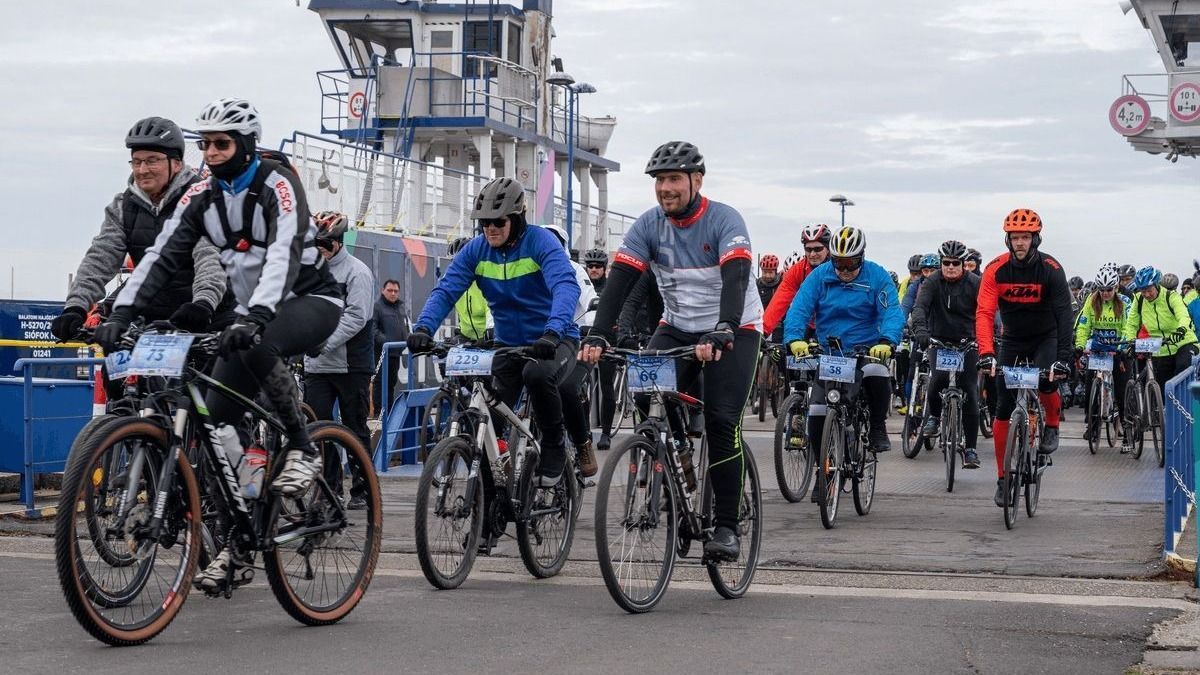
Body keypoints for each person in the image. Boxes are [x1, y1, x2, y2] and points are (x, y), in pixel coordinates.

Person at [93, 97, 344, 590]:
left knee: (257, 342)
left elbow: (283, 256)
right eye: (205, 144)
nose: (211, 153)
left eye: (222, 144)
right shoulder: (201, 197)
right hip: (249, 315)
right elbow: (162, 255)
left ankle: (301, 448)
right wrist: (119, 312)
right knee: (216, 424)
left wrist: (255, 315)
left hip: (308, 299)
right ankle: (237, 543)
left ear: (247, 145)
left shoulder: (277, 184)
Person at [580, 140, 762, 561]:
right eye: (660, 180)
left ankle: (728, 526)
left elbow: (735, 280)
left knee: (720, 420)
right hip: (678, 327)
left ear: (696, 181)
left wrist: (724, 328)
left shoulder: (724, 220)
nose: (666, 188)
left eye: (674, 178)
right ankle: (675, 452)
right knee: (644, 392)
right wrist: (599, 334)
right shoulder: (647, 226)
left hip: (733, 327)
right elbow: (621, 283)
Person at [407, 177, 580, 486]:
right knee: (485, 420)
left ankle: (554, 445)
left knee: (537, 376)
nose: (490, 228)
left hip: (554, 339)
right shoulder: (477, 250)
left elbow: (565, 286)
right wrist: (424, 328)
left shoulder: (541, 242)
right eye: (484, 222)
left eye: (498, 221)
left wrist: (553, 331)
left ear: (516, 218)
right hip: (509, 345)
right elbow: (446, 290)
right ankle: (490, 511)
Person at [51, 117, 229, 344]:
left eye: (152, 161)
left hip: (207, 314)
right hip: (152, 320)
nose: (142, 170)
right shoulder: (124, 206)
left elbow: (209, 257)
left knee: (232, 371)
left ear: (176, 163)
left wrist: (203, 302)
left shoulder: (203, 199)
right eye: (136, 162)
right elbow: (100, 257)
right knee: (116, 374)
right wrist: (75, 307)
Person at [976, 208, 1073, 509]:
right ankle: (1004, 479)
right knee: (1003, 405)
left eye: (1025, 237)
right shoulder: (996, 269)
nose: (1020, 243)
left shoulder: (1051, 269)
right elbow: (984, 313)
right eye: (1015, 237)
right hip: (1013, 339)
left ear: (1035, 239)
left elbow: (1064, 314)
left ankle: (1052, 424)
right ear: (1008, 239)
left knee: (1046, 381)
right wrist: (986, 353)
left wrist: (1064, 359)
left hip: (1046, 335)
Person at [783, 226, 902, 468]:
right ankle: (821, 469)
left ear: (862, 257)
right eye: (839, 263)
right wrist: (795, 338)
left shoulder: (877, 276)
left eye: (851, 263)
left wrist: (887, 341)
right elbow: (799, 308)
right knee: (816, 410)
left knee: (878, 374)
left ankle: (878, 427)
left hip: (864, 350)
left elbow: (892, 311)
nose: (845, 270)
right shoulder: (819, 277)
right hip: (830, 352)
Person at [304, 211, 376, 458]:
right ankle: (329, 489)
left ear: (337, 243)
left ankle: (362, 492)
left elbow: (356, 317)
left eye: (324, 245)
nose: (318, 249)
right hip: (317, 367)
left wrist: (323, 342)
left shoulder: (358, 272)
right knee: (317, 432)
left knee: (355, 431)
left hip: (350, 367)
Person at [911, 240, 981, 469]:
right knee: (938, 378)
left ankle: (970, 449)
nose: (950, 267)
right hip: (938, 339)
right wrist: (921, 329)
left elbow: (986, 311)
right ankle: (933, 417)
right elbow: (920, 307)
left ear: (964, 264)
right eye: (946, 263)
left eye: (956, 263)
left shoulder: (975, 284)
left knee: (970, 390)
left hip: (967, 341)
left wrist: (988, 337)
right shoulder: (932, 282)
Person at [544, 224, 599, 477]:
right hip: (541, 345)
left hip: (575, 342)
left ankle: (582, 443)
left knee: (566, 387)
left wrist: (592, 336)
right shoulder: (529, 267)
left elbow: (590, 301)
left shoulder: (575, 270)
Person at [1074, 267, 1131, 449]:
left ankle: (1127, 432)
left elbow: (1128, 327)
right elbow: (1084, 325)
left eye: (1109, 289)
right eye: (1102, 290)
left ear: (1115, 288)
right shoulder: (1092, 301)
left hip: (1117, 350)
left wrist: (1122, 347)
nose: (1105, 293)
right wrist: (1080, 345)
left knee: (1122, 392)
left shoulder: (1124, 302)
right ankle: (1092, 424)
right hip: (1098, 350)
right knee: (1091, 384)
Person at [1122, 266, 1199, 399]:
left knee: (1182, 369)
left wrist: (1180, 330)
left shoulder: (1171, 296)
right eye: (1142, 290)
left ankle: (1185, 406)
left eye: (1149, 290)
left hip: (1182, 341)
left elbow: (1183, 316)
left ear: (1157, 285)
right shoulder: (1139, 299)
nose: (1146, 294)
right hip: (1160, 347)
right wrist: (1130, 341)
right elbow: (1132, 323)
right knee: (1161, 389)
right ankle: (1159, 415)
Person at [761, 223, 832, 337]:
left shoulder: (839, 267)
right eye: (808, 249)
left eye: (817, 249)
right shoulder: (798, 270)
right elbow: (779, 301)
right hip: (808, 322)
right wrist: (762, 332)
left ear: (827, 248)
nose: (812, 254)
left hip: (833, 322)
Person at [583, 247, 621, 450]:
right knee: (582, 388)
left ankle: (605, 432)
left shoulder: (611, 288)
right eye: (590, 266)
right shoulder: (582, 285)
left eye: (598, 266)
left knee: (607, 386)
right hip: (585, 341)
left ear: (605, 268)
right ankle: (585, 432)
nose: (594, 269)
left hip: (608, 341)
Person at [372, 277, 410, 412]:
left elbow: (405, 327)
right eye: (390, 290)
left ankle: (388, 412)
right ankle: (378, 413)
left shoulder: (400, 307)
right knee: (380, 383)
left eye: (396, 291)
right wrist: (386, 342)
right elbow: (373, 330)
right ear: (383, 290)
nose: (393, 293)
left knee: (391, 384)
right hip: (381, 353)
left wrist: (406, 339)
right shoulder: (377, 307)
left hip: (396, 353)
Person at [757, 254, 783, 341]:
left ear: (776, 271)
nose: (767, 275)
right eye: (765, 272)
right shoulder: (757, 285)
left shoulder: (782, 283)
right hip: (761, 325)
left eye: (770, 272)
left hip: (779, 325)